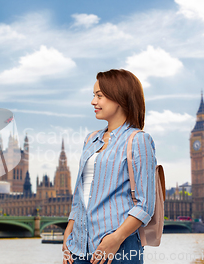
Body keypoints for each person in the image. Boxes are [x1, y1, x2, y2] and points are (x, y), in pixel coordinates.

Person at [62, 69, 156, 264]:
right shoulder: (90, 140)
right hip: (78, 248)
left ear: (120, 98)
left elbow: (145, 204)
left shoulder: (138, 140)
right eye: (93, 96)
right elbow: (80, 195)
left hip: (119, 249)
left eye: (99, 96)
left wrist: (116, 238)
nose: (93, 102)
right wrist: (68, 234)